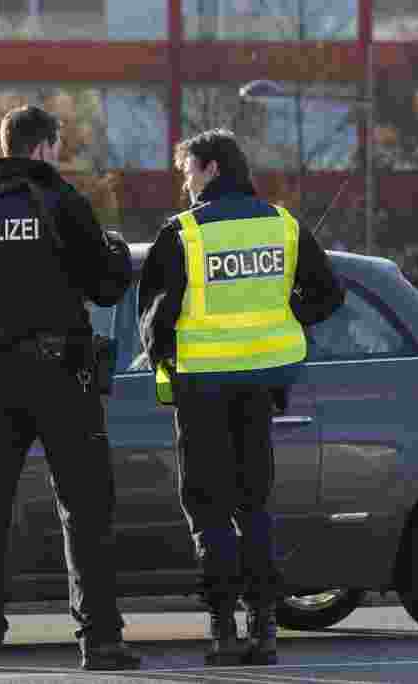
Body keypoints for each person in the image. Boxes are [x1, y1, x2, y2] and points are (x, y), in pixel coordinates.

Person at [0, 105, 141, 673]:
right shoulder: (63, 201)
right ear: (44, 147)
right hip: (60, 376)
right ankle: (100, 642)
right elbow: (106, 287)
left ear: (5, 146)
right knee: (85, 506)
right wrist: (115, 252)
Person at [138, 129, 344, 666]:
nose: (184, 183)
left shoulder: (184, 233)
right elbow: (327, 295)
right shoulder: (283, 225)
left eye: (186, 171)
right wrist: (286, 315)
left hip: (201, 388)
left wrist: (163, 357)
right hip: (259, 389)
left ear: (208, 168)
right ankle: (266, 629)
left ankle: (224, 630)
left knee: (207, 507)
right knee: (253, 505)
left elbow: (155, 321)